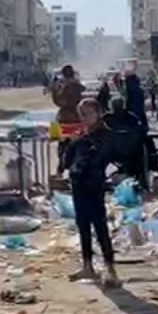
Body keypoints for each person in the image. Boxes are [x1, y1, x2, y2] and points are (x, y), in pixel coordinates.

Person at [62, 98, 120, 287]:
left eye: (87, 114)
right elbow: (68, 159)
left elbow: (100, 157)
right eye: (81, 115)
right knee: (83, 226)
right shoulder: (82, 136)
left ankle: (110, 268)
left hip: (93, 185)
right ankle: (88, 265)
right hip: (79, 184)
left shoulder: (104, 135)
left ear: (97, 113)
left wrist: (80, 143)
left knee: (100, 226)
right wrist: (68, 144)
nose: (84, 118)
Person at [103, 96, 149, 190]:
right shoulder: (132, 118)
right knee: (143, 146)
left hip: (112, 152)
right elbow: (142, 131)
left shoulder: (107, 119)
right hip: (132, 151)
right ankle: (142, 179)